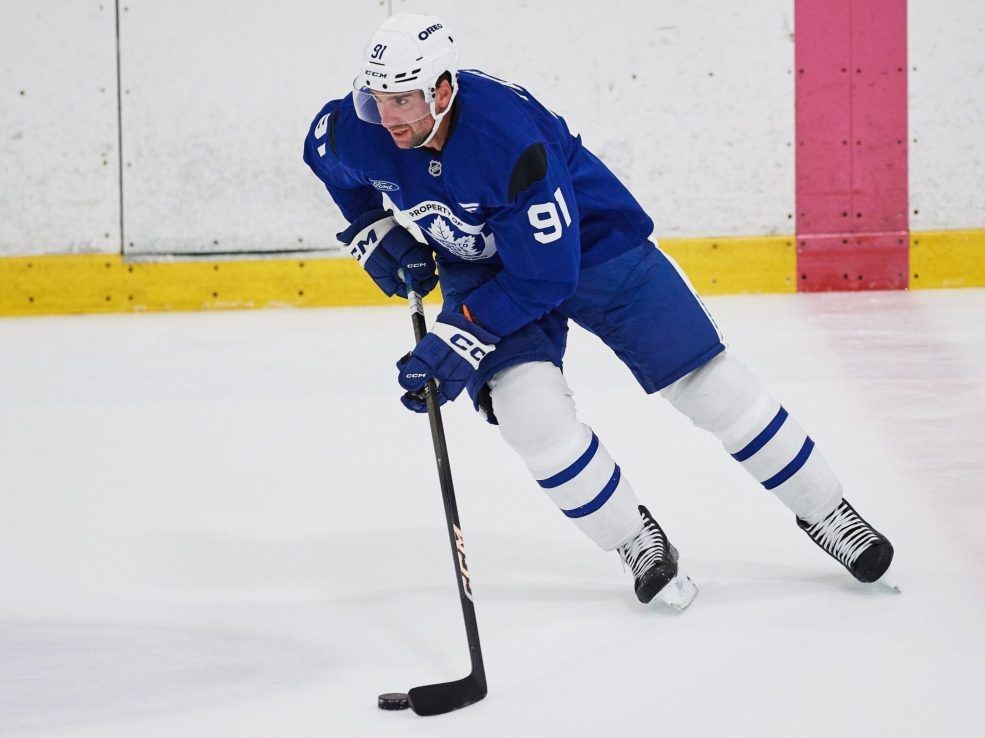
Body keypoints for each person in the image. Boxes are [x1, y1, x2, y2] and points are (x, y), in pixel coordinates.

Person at [302, 12, 894, 607]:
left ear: (443, 90)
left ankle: (828, 512)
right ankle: (634, 540)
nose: (386, 116)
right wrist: (372, 229)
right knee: (529, 414)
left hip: (592, 246)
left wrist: (460, 336)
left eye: (402, 100)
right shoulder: (366, 128)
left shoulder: (508, 141)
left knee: (708, 383)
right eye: (376, 98)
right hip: (483, 267)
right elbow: (323, 152)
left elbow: (545, 276)